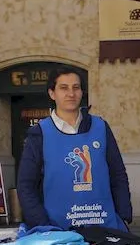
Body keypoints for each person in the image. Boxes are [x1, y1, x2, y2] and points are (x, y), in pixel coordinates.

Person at [17, 65, 132, 231]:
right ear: (52, 93)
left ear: (82, 92)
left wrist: (123, 216)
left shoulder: (100, 127)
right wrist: (43, 226)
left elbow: (118, 174)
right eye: (63, 88)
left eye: (76, 88)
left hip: (105, 229)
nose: (71, 94)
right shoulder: (39, 133)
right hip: (59, 233)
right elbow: (25, 185)